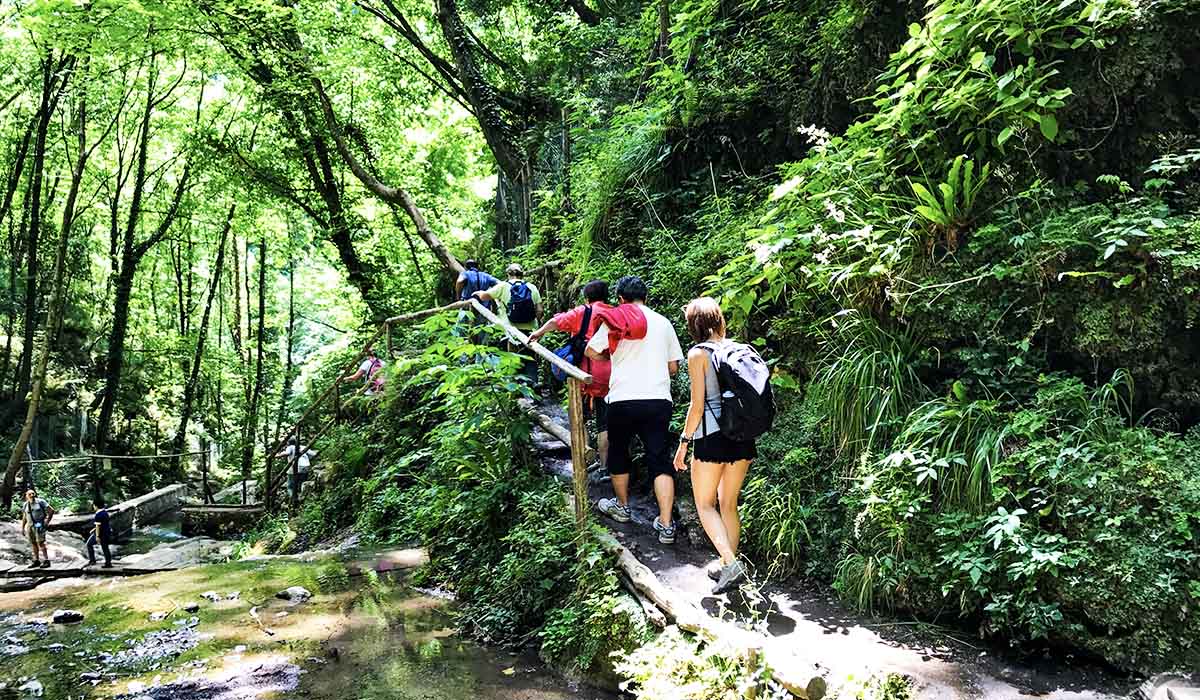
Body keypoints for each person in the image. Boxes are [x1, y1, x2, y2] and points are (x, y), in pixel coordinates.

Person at [585, 276, 684, 544]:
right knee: (659, 458)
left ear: (620, 298)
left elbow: (591, 351)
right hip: (657, 399)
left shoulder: (616, 318)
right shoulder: (663, 323)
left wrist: (613, 356)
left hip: (622, 399)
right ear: (646, 297)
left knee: (619, 451)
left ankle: (622, 507)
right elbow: (673, 368)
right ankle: (665, 524)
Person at [673, 297, 758, 594]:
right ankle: (727, 566)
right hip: (743, 434)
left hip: (711, 437)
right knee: (729, 503)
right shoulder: (740, 348)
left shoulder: (698, 353)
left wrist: (684, 442)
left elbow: (697, 407)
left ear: (694, 324)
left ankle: (731, 564)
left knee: (705, 504)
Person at [530, 280, 614, 470]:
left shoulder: (582, 312)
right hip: (611, 373)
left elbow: (555, 322)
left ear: (587, 297)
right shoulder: (614, 312)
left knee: (579, 417)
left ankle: (584, 460)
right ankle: (604, 467)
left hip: (585, 373)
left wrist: (538, 332)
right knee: (604, 423)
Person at [473, 263, 542, 385]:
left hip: (511, 330)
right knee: (531, 358)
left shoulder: (503, 286)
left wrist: (477, 293)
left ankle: (517, 389)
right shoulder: (532, 287)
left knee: (514, 357)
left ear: (508, 274)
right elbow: (540, 310)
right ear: (522, 274)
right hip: (531, 330)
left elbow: (484, 296)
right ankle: (534, 385)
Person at [276, 437, 317, 502]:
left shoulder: (290, 447)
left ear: (288, 443)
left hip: (295, 467)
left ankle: (293, 499)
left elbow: (287, 453)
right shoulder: (303, 447)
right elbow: (314, 454)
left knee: (290, 486)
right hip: (305, 466)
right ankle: (302, 497)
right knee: (302, 483)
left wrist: (278, 455)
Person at [21, 489, 54, 569]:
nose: (32, 495)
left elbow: (51, 510)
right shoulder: (26, 504)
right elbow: (25, 517)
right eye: (29, 494)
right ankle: (36, 561)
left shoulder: (41, 502)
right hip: (30, 526)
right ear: (26, 496)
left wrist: (47, 521)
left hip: (39, 525)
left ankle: (46, 561)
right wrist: (22, 528)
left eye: (33, 493)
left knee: (41, 543)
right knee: (33, 543)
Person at [86, 498, 113, 568]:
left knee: (89, 544)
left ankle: (92, 560)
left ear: (96, 506)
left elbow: (98, 526)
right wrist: (93, 529)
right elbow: (103, 524)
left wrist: (97, 536)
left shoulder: (98, 515)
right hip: (107, 532)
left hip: (101, 534)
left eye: (93, 505)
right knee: (105, 548)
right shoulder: (105, 513)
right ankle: (108, 562)